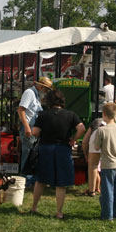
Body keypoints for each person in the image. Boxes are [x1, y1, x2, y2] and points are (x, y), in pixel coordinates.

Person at [30, 90, 85, 219]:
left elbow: (35, 132)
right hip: (63, 149)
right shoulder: (71, 115)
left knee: (40, 179)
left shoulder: (43, 115)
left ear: (49, 101)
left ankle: (34, 207)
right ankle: (59, 212)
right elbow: (81, 128)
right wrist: (74, 139)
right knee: (61, 183)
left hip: (46, 148)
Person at [93, 102, 116, 221]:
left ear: (104, 114)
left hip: (107, 164)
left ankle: (107, 215)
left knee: (107, 191)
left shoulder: (101, 130)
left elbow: (96, 147)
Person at [18, 76, 52, 174]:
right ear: (41, 87)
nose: (46, 92)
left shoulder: (36, 95)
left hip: (33, 127)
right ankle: (24, 175)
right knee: (28, 152)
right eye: (46, 90)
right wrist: (27, 127)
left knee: (31, 152)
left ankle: (28, 174)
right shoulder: (29, 93)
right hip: (29, 127)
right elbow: (21, 110)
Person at [81, 117, 104, 197]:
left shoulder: (96, 122)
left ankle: (92, 191)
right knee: (98, 169)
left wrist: (85, 154)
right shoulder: (115, 125)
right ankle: (99, 188)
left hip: (96, 141)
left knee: (93, 166)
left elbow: (84, 141)